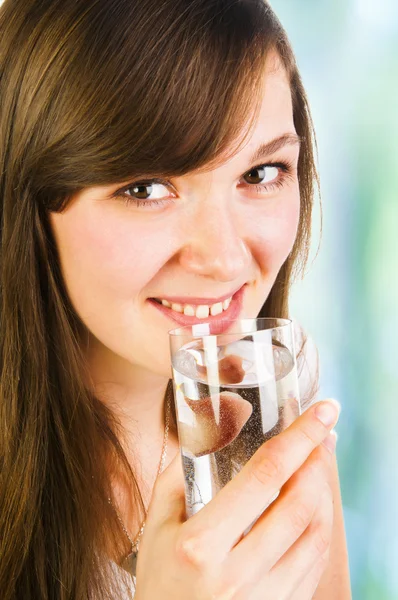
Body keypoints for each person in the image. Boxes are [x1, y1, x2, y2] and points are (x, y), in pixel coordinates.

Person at [0, 0, 351, 598]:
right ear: (26, 201)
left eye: (262, 173)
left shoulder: (269, 435)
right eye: (146, 188)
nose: (224, 259)